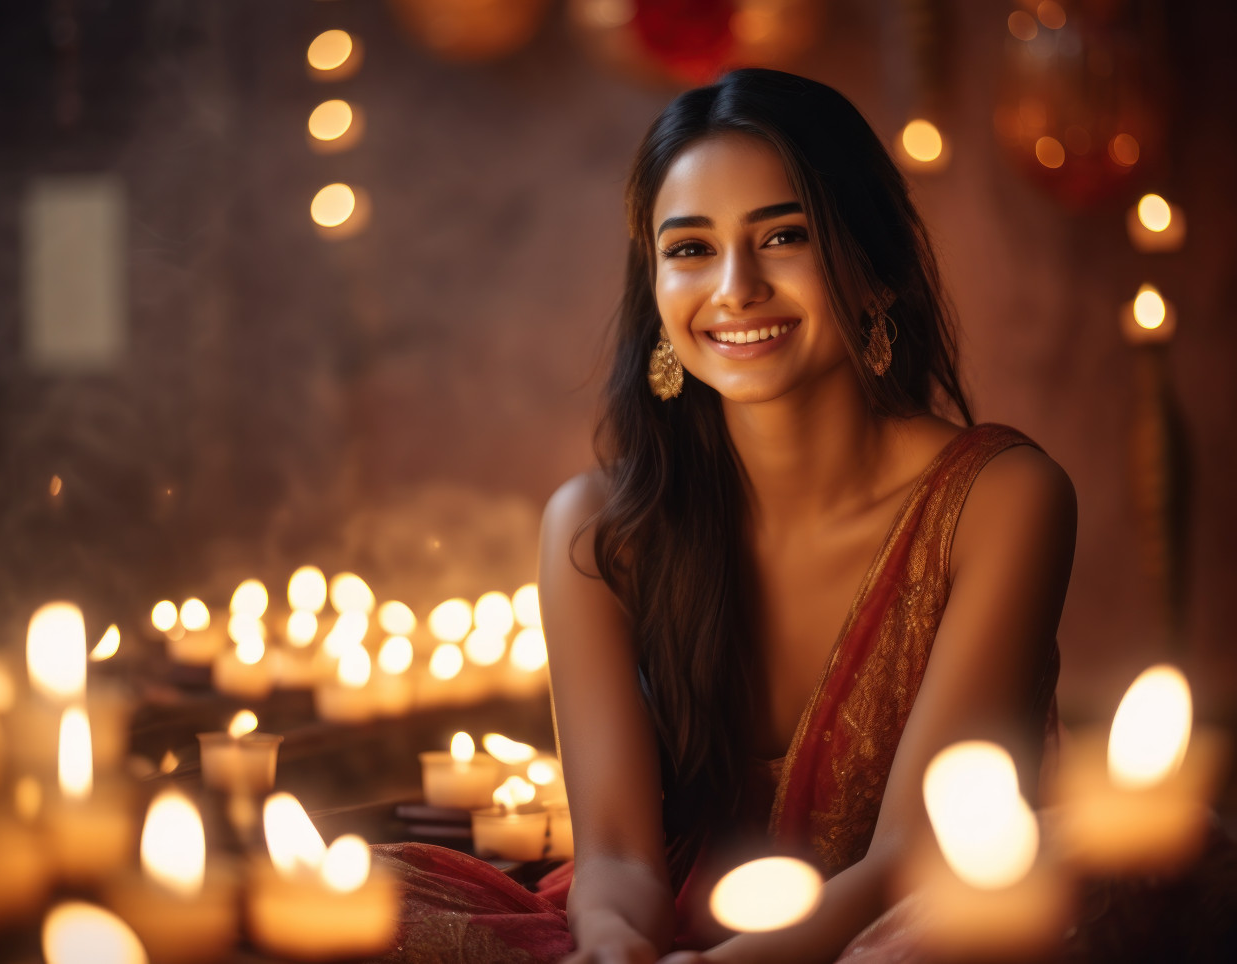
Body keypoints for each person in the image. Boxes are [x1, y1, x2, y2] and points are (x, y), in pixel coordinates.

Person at [375, 68, 1077, 963]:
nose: (736, 289)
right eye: (692, 249)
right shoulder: (600, 531)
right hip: (675, 935)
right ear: (656, 287)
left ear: (877, 271)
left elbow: (917, 854)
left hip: (908, 930)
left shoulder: (1000, 499)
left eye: (784, 236)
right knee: (360, 905)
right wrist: (615, 947)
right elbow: (618, 857)